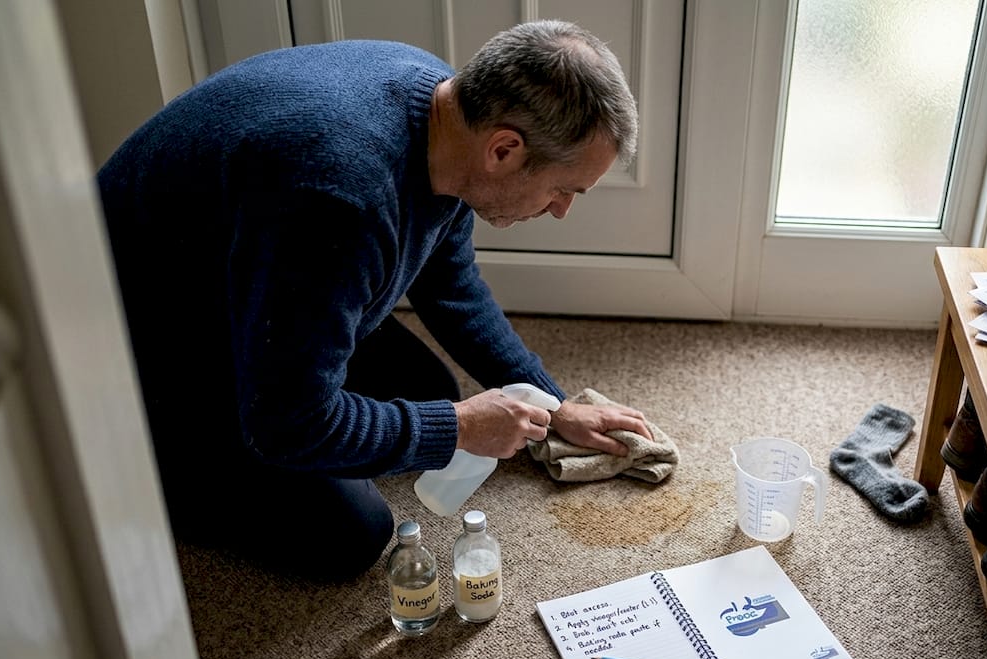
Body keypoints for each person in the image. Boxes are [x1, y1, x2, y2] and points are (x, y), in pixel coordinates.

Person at [97, 20, 654, 578]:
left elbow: (452, 287)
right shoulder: (340, 197)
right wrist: (458, 427)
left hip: (248, 285)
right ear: (504, 149)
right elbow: (290, 423)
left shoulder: (451, 111)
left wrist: (555, 406)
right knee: (347, 537)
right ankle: (154, 471)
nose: (561, 210)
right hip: (136, 349)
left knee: (429, 392)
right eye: (564, 189)